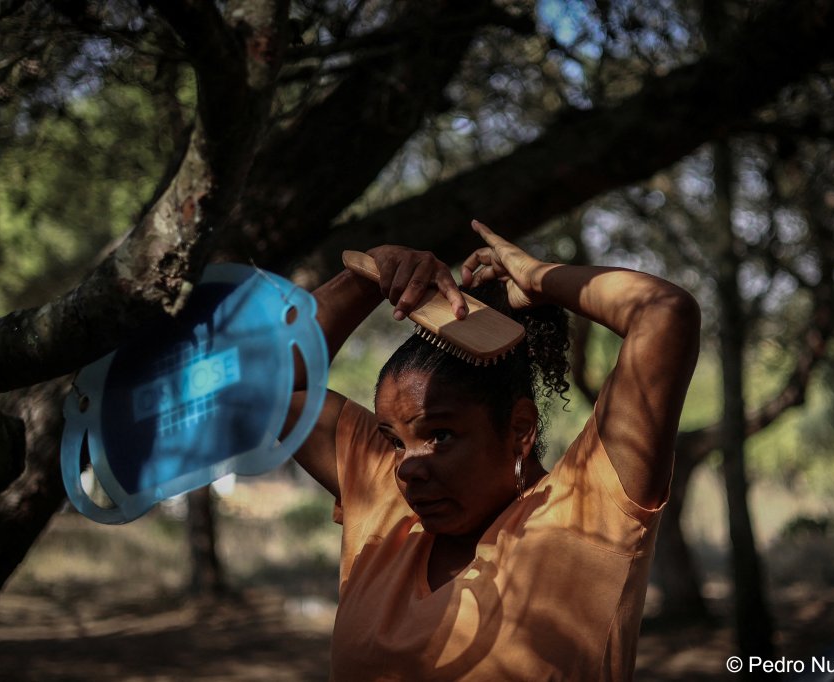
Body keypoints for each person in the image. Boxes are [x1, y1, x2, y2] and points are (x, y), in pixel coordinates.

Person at [288, 220, 700, 680]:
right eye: (393, 441)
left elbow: (663, 312)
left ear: (520, 428)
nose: (407, 469)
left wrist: (538, 279)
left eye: (439, 435)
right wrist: (365, 279)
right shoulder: (385, 503)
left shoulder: (583, 513)